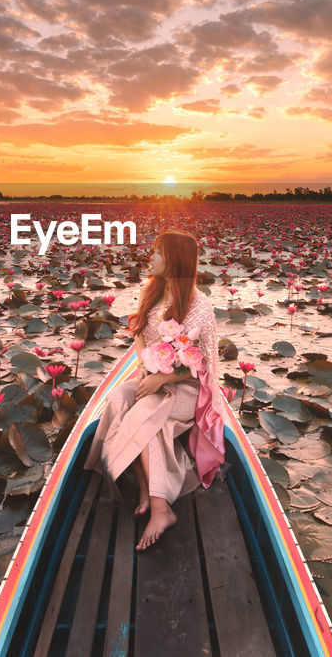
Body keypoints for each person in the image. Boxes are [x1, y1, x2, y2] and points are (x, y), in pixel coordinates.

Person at [83, 230, 228, 550]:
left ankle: (161, 509)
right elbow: (139, 335)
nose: (153, 258)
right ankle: (148, 486)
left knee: (146, 413)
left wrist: (162, 380)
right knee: (118, 399)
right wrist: (144, 371)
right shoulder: (152, 290)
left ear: (175, 260)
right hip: (151, 375)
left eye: (159, 253)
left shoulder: (199, 305)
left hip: (185, 386)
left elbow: (200, 360)